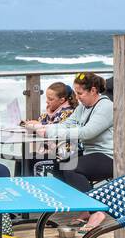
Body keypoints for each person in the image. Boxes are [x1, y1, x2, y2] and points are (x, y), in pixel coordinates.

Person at [29, 71, 114, 206]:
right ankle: (72, 203)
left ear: (93, 90)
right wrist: (45, 129)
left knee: (71, 168)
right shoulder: (82, 107)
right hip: (89, 153)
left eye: (80, 93)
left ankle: (92, 209)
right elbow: (66, 125)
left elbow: (87, 133)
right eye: (76, 93)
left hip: (109, 156)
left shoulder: (106, 106)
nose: (77, 97)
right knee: (57, 164)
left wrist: (47, 133)